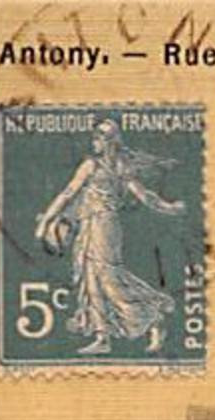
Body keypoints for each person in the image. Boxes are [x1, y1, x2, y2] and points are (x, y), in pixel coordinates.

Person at [32, 116, 186, 355]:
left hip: (105, 227)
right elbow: (68, 194)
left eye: (99, 137)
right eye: (94, 137)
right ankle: (102, 336)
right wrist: (47, 221)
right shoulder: (95, 165)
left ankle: (153, 317)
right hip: (89, 225)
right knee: (90, 277)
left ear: (110, 141)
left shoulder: (110, 166)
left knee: (108, 278)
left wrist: (169, 208)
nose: (94, 142)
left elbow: (143, 195)